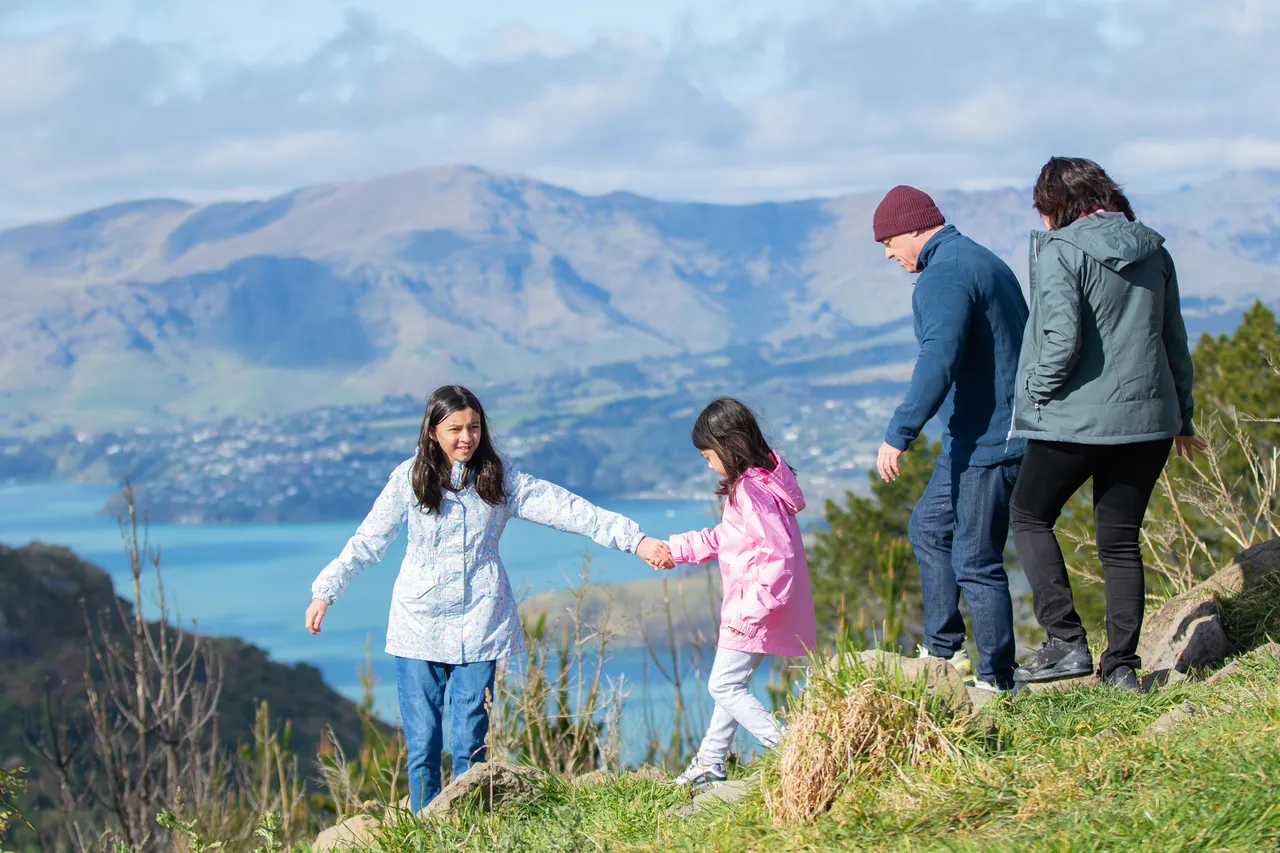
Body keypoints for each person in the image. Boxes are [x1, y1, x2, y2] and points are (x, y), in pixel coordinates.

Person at [304, 385, 671, 812]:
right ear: (433, 432)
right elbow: (368, 541)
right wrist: (325, 591)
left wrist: (635, 540)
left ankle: (467, 827)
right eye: (455, 429)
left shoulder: (500, 478)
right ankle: (425, 830)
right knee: (423, 744)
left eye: (474, 427)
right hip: (417, 624)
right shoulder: (409, 479)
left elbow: (569, 509)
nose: (467, 438)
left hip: (480, 622)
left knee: (470, 742)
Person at [1009, 157, 1204, 690]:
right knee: (1119, 541)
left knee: (1028, 514)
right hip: (1150, 422)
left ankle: (1067, 643)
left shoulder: (1061, 250)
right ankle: (1120, 666)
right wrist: (1183, 417)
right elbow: (1175, 341)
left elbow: (1061, 341)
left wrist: (1033, 391)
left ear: (1057, 204)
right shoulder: (1154, 249)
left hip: (1076, 421)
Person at [872, 185, 1029, 694]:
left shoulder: (944, 275)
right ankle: (944, 652)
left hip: (990, 440)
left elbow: (938, 358)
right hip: (979, 435)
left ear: (914, 228)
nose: (889, 255)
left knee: (976, 561)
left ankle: (997, 681)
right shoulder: (980, 259)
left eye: (889, 242)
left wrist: (899, 433)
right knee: (928, 527)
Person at [660, 397, 816, 789]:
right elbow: (730, 539)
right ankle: (711, 762)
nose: (708, 465)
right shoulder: (761, 483)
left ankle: (793, 750)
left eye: (708, 456)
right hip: (759, 608)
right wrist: (675, 549)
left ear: (727, 446)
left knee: (723, 685)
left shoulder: (751, 491)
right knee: (731, 685)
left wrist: (750, 612)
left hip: (753, 610)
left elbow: (779, 557)